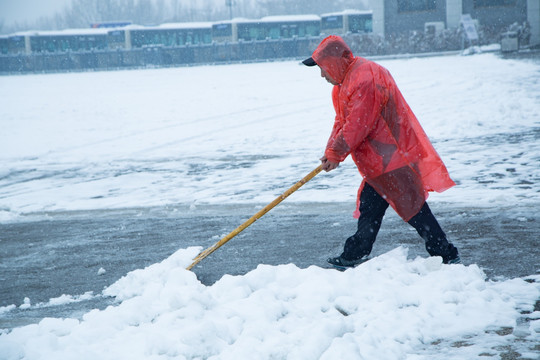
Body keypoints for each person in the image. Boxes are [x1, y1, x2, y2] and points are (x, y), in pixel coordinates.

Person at [302, 35, 460, 268]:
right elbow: (342, 121)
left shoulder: (365, 78)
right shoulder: (344, 84)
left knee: (413, 209)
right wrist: (331, 151)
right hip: (380, 161)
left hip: (394, 156)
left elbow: (359, 123)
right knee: (372, 207)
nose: (322, 75)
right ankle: (355, 253)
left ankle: (446, 254)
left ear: (335, 62)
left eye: (323, 68)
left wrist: (337, 153)